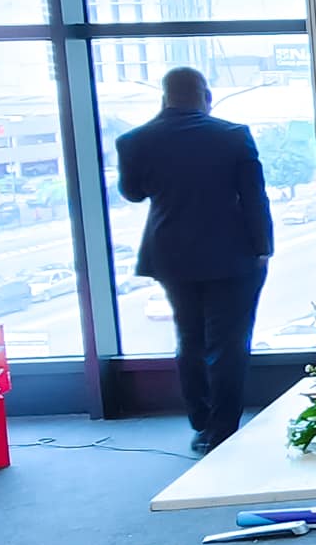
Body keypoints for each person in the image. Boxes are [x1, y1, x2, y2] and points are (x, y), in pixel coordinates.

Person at [115, 67, 275, 454]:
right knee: (230, 343)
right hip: (233, 256)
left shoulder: (134, 141)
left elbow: (132, 193)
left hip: (172, 257)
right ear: (205, 95)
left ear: (164, 97)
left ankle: (201, 423)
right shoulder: (233, 136)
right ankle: (223, 429)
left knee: (189, 339)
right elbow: (254, 197)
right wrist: (263, 248)